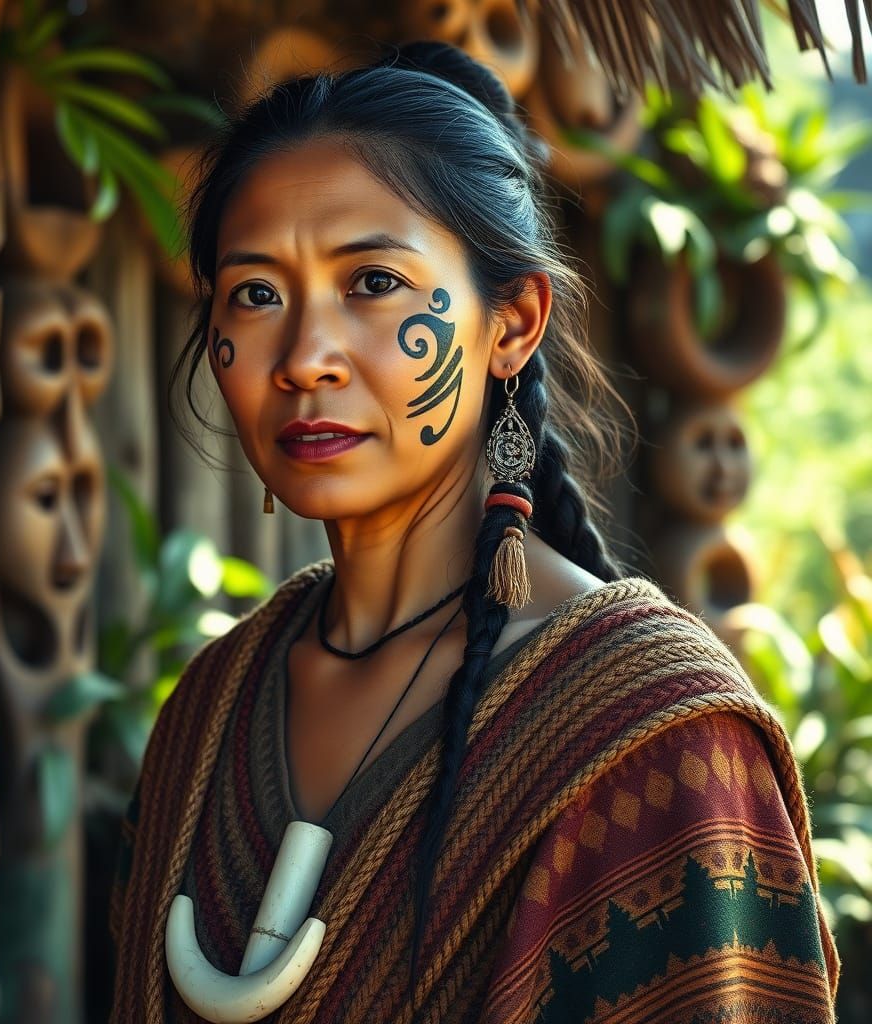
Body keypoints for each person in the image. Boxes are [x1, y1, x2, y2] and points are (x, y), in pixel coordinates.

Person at [109, 42, 838, 1024]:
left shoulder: (658, 737)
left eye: (371, 282)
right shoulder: (207, 711)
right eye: (256, 293)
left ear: (512, 322)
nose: (305, 357)